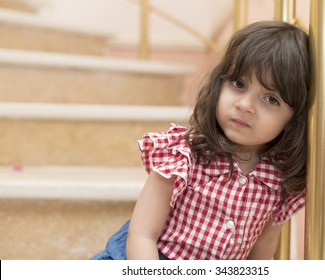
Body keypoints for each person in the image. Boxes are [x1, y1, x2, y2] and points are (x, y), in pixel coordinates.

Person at [91, 20, 310, 260]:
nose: (245, 105)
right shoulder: (184, 153)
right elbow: (143, 236)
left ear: (294, 119)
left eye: (271, 99)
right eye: (239, 84)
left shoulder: (279, 178)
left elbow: (263, 247)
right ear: (220, 82)